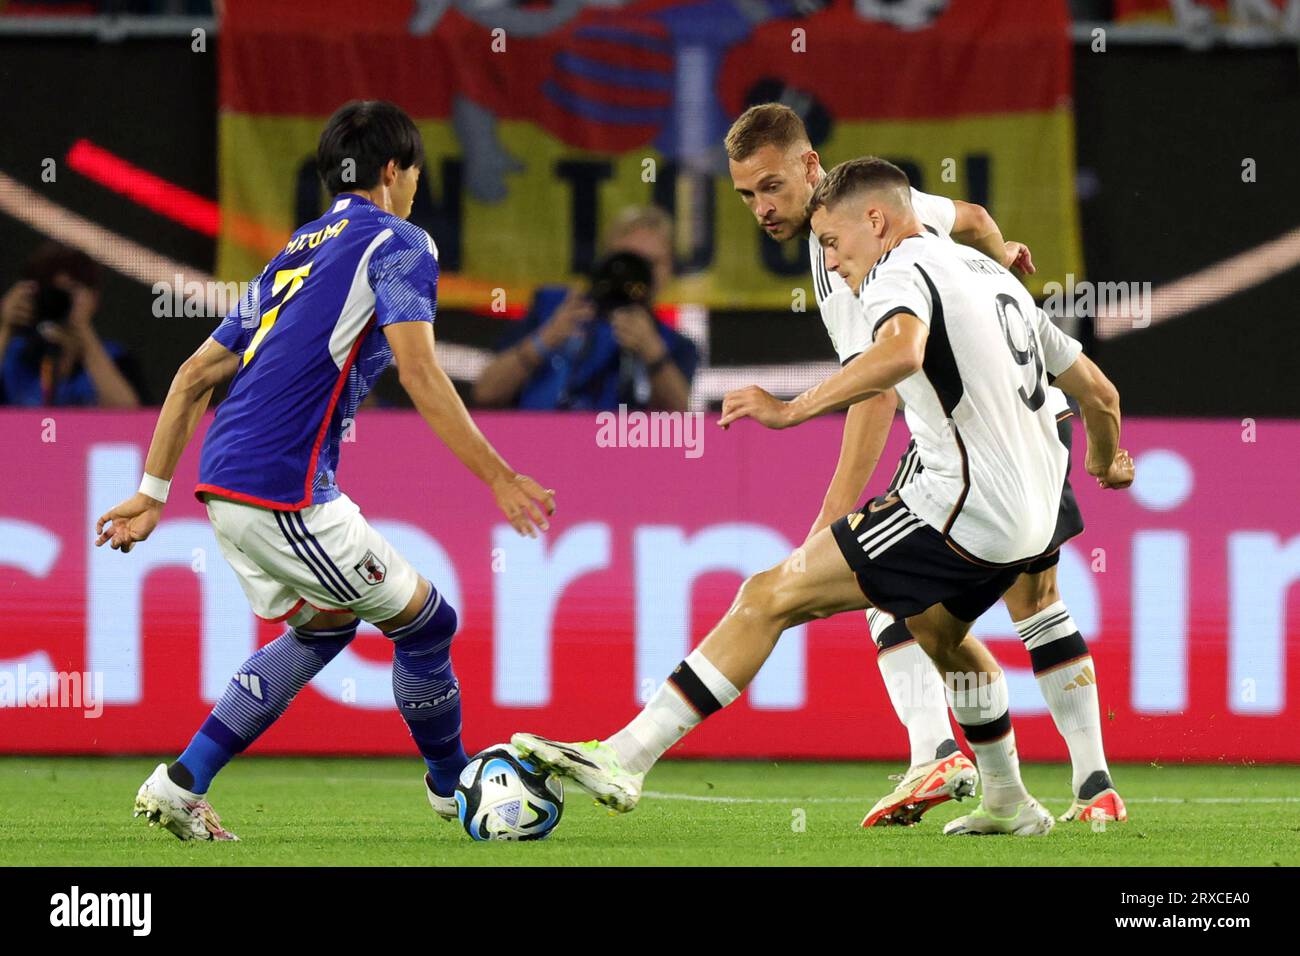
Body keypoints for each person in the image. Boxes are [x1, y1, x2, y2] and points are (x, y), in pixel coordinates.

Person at [512, 158, 1134, 837]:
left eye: (834, 244)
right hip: (1036, 506)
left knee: (767, 594)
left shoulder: (899, 270)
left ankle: (625, 758)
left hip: (962, 509)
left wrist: (789, 410)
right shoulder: (994, 276)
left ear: (876, 221)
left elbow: (897, 356)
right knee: (936, 630)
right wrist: (1106, 462)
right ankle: (1009, 800)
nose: (831, 262)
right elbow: (1101, 393)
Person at [94, 99, 556, 842]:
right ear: (395, 170)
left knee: (324, 627)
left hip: (231, 481)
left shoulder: (300, 250)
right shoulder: (400, 243)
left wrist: (152, 497)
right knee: (430, 621)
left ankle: (181, 781)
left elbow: (193, 374)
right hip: (281, 489)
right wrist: (499, 476)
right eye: (414, 175)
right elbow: (421, 372)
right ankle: (456, 790)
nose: (414, 189)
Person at [724, 103, 1124, 826]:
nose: (762, 208)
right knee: (1029, 604)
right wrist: (997, 265)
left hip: (983, 434)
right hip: (1032, 417)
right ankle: (1093, 788)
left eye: (772, 187)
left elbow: (878, 390)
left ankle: (934, 750)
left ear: (810, 167)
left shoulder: (842, 246)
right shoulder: (890, 204)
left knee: (885, 582)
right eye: (747, 195)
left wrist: (833, 516)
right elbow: (970, 215)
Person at [473, 206, 697, 412]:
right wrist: (546, 339)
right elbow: (485, 393)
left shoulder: (675, 345)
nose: (635, 272)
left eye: (650, 263)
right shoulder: (550, 307)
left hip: (623, 450)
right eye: (628, 259)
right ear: (606, 259)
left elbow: (681, 423)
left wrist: (652, 351)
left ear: (669, 270)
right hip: (539, 445)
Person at [0, 243, 146, 408]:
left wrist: (85, 338)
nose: (61, 299)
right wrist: (5, 327)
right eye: (52, 290)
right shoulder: (14, 355)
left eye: (72, 290)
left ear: (94, 298)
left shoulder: (117, 358)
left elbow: (132, 417)